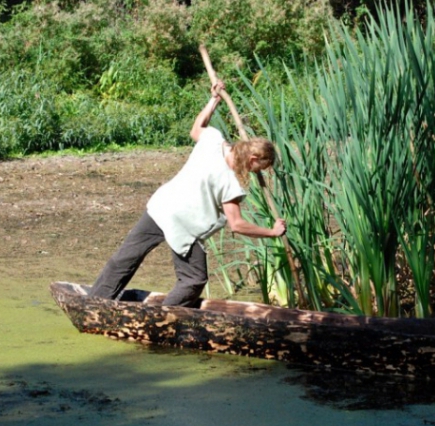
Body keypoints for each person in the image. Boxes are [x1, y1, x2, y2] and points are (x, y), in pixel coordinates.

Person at [89, 80, 287, 306]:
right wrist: (272, 232)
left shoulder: (214, 139)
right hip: (182, 223)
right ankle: (163, 318)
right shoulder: (231, 183)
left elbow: (196, 128)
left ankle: (95, 301)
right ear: (253, 159)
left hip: (163, 206)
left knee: (126, 258)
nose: (256, 172)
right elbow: (237, 225)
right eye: (259, 168)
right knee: (194, 279)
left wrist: (213, 100)